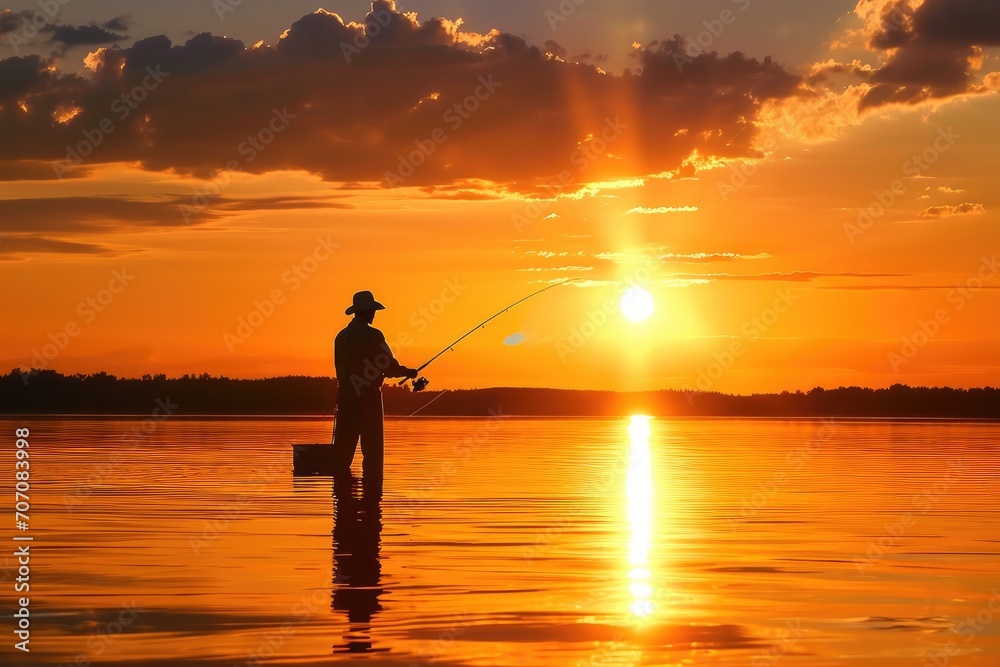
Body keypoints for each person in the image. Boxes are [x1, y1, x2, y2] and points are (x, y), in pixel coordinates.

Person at [333, 290, 418, 494]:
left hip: (345, 397)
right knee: (372, 453)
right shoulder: (373, 335)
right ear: (369, 311)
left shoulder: (341, 337)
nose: (374, 314)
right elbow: (388, 366)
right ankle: (371, 502)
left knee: (343, 452)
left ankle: (342, 502)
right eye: (373, 311)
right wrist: (408, 372)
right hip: (369, 399)